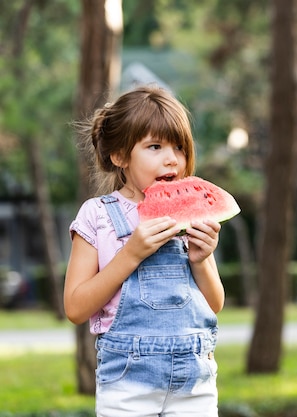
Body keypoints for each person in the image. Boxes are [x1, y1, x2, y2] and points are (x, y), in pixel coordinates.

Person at [64, 85, 224, 417]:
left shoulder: (192, 215)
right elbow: (75, 308)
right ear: (120, 156)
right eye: (155, 146)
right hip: (127, 383)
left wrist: (202, 258)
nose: (172, 158)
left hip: (195, 382)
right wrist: (131, 254)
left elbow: (215, 304)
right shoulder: (98, 216)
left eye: (179, 147)